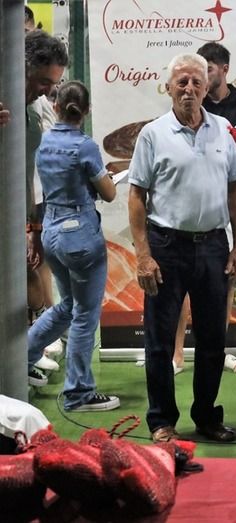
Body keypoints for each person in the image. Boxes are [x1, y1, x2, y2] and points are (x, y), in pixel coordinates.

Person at [128, 53, 236, 443]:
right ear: (168, 88)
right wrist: (143, 255)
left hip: (214, 246)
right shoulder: (153, 134)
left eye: (197, 81)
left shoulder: (224, 130)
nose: (189, 89)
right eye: (181, 82)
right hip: (166, 247)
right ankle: (162, 421)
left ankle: (207, 417)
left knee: (213, 339)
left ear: (207, 87)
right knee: (160, 341)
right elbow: (136, 197)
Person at [26, 81, 120, 410]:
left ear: (55, 106)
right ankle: (79, 393)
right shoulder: (85, 146)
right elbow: (109, 193)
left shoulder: (44, 141)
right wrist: (105, 180)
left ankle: (21, 360)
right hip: (80, 237)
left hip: (51, 230)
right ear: (87, 110)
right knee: (84, 315)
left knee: (66, 306)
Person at [168, 42, 236, 376]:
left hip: (224, 212)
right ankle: (177, 353)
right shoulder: (187, 106)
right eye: (191, 77)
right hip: (185, 217)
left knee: (225, 286)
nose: (196, 83)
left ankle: (220, 351)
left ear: (223, 71)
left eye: (207, 71)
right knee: (180, 290)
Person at [24, 30, 68, 386]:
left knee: (30, 276)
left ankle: (23, 354)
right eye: (42, 82)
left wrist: (33, 222)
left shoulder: (38, 106)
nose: (45, 91)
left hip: (25, 205)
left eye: (52, 85)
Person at [196, 42, 236, 126]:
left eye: (209, 70)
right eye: (200, 71)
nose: (203, 76)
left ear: (225, 70)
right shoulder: (196, 105)